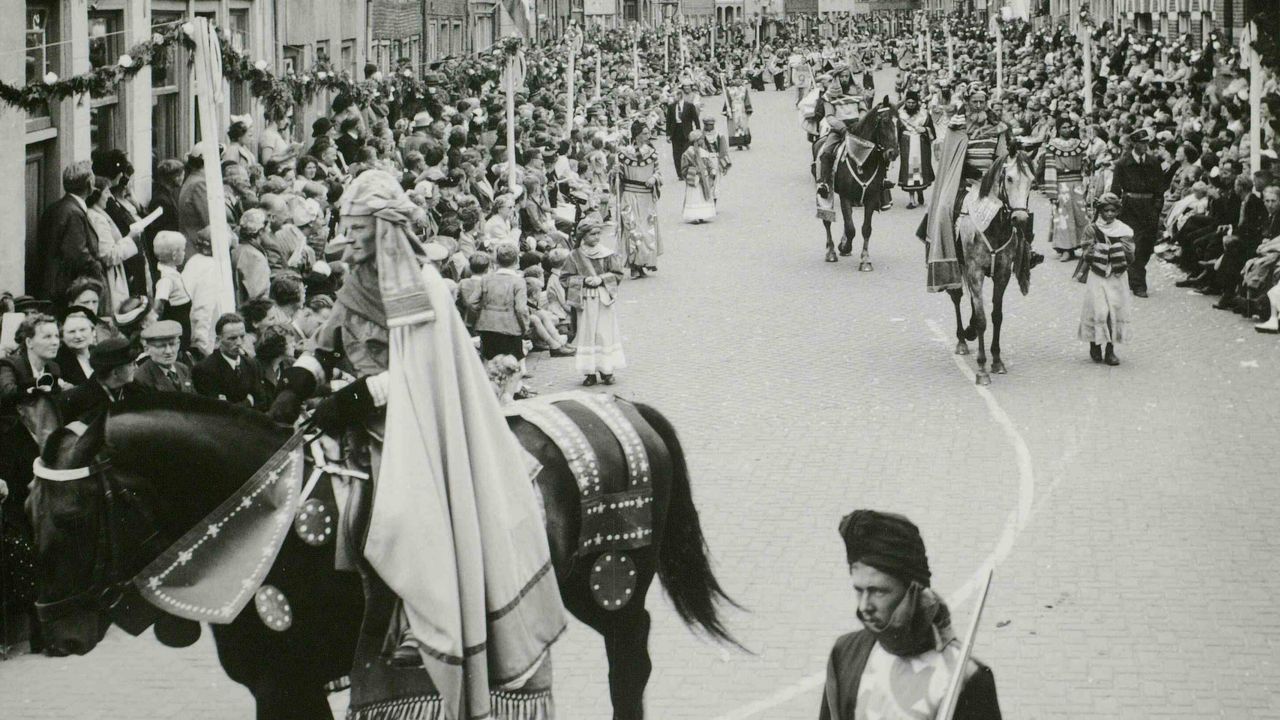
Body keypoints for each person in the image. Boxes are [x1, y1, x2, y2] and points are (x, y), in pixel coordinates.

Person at [267, 169, 564, 720]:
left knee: (404, 512)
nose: (345, 237)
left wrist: (352, 400)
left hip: (414, 421)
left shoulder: (419, 286)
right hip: (360, 415)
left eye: (355, 228)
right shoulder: (358, 277)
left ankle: (415, 617)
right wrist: (300, 382)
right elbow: (327, 339)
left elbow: (418, 375)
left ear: (382, 229)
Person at [820, 510, 1002, 720]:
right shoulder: (846, 654)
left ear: (913, 590)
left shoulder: (966, 677)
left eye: (878, 591)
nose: (864, 606)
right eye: (859, 590)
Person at [564, 217, 625, 386]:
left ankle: (607, 370)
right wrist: (582, 281)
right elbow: (565, 278)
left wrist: (602, 279)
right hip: (585, 300)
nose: (597, 237)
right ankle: (589, 372)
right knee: (587, 335)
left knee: (603, 334)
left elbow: (618, 274)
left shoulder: (607, 253)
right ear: (583, 235)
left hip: (603, 299)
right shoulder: (574, 256)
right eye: (592, 234)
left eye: (599, 233)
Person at [1074, 193, 1133, 366]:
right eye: (1106, 210)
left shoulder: (1124, 230)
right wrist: (1102, 253)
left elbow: (1130, 253)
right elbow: (1086, 250)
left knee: (1114, 311)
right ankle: (1094, 343)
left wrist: (1113, 253)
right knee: (1098, 310)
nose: (1109, 214)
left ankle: (1110, 350)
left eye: (1113, 211)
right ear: (1100, 210)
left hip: (1117, 275)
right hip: (1098, 274)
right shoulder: (1091, 229)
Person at [1109, 128, 1166, 298]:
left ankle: (1134, 274)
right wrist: (1113, 211)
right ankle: (1139, 283)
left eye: (1147, 142)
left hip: (1149, 208)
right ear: (1134, 143)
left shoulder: (1153, 162)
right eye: (1142, 143)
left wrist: (1157, 207)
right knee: (1135, 246)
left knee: (1147, 246)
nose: (1145, 146)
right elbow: (1115, 189)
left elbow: (1160, 188)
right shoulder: (1122, 164)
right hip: (1130, 208)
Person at [474, 242, 535, 400]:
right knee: (514, 367)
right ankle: (508, 396)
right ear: (516, 261)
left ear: (496, 261)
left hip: (487, 327)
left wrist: (484, 313)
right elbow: (521, 309)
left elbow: (472, 301)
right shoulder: (518, 281)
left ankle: (489, 397)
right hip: (510, 327)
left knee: (490, 365)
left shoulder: (486, 279)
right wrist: (525, 326)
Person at [33, 160, 101, 301]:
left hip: (52, 287)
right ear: (89, 184)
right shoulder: (73, 213)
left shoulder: (56, 207)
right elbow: (78, 255)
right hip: (67, 291)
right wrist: (98, 271)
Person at [85, 176, 142, 314]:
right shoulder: (97, 218)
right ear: (96, 195)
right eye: (106, 193)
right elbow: (108, 255)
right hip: (109, 277)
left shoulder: (99, 214)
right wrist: (130, 238)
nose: (109, 196)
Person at [57, 336, 146, 423]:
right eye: (131, 364)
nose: (136, 367)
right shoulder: (81, 402)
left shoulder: (137, 389)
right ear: (114, 372)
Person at [1039, 116, 1092, 260]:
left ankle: (1083, 245)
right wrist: (1052, 192)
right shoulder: (1052, 145)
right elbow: (1049, 169)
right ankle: (1066, 249)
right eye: (1064, 127)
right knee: (1063, 215)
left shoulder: (1078, 144)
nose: (1067, 130)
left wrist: (1088, 163)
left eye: (1069, 127)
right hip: (1061, 184)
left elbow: (1085, 166)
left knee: (1080, 214)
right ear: (1058, 129)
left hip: (1077, 183)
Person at [617, 120, 663, 278]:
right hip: (630, 196)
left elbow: (658, 171)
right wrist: (616, 173)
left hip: (646, 197)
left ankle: (645, 263)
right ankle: (634, 266)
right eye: (644, 133)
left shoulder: (652, 152)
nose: (648, 136)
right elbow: (618, 177)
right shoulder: (624, 153)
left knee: (647, 231)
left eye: (648, 132)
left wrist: (654, 178)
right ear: (636, 135)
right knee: (634, 231)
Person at [193, 313, 266, 408]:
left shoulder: (252, 364)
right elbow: (217, 410)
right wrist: (249, 402)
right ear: (218, 340)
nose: (239, 343)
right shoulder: (204, 369)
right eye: (232, 338)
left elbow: (262, 402)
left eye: (242, 336)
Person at [150, 231, 194, 353]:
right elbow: (159, 305)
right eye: (183, 250)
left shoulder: (171, 272)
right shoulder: (166, 279)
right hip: (176, 321)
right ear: (175, 255)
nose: (184, 253)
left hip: (183, 320)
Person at [896, 91, 936, 209]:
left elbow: (931, 130)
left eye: (913, 102)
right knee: (909, 170)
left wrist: (924, 129)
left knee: (920, 169)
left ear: (917, 103)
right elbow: (896, 131)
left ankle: (920, 192)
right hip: (907, 144)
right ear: (905, 102)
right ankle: (912, 199)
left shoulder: (924, 114)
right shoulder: (901, 115)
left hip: (921, 144)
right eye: (908, 102)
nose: (911, 105)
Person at [133, 320, 196, 394]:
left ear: (179, 344)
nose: (168, 351)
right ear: (147, 349)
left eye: (172, 344)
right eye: (161, 346)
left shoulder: (183, 369)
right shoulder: (141, 379)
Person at [55, 306, 100, 387]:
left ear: (93, 332)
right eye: (72, 332)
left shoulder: (101, 354)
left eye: (83, 330)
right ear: (62, 336)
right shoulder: (57, 363)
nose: (78, 336)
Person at [682, 130, 720, 224]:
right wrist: (693, 172)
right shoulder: (688, 153)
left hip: (704, 178)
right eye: (701, 139)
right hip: (695, 179)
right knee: (695, 196)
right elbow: (684, 168)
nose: (702, 140)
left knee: (703, 196)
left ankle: (702, 214)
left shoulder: (703, 152)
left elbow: (708, 163)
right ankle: (695, 215)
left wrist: (712, 170)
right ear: (696, 140)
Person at [722, 73, 753, 150]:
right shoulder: (729, 90)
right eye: (736, 79)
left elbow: (747, 99)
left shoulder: (744, 89)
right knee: (735, 127)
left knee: (744, 126)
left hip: (742, 109)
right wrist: (727, 109)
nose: (737, 80)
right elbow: (727, 100)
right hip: (733, 109)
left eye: (739, 79)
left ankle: (746, 143)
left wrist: (748, 108)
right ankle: (739, 144)